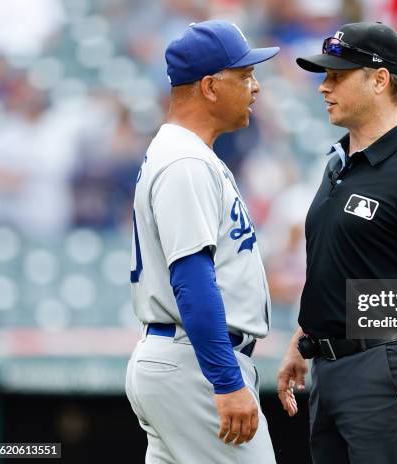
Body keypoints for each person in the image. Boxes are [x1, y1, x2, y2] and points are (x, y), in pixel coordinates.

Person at [277, 22, 397, 463]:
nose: (324, 87)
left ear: (380, 80)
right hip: (330, 371)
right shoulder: (339, 164)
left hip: (387, 371)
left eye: (337, 75)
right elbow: (343, 262)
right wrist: (304, 337)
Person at [125, 20, 279, 463]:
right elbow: (192, 280)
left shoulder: (184, 153)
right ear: (210, 87)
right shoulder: (185, 161)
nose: (256, 88)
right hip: (194, 364)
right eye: (245, 77)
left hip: (180, 358)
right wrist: (226, 381)